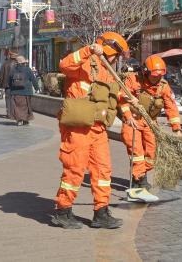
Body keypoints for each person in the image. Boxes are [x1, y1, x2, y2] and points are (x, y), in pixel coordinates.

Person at [51, 31, 136, 230]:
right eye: (116, 55)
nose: (117, 59)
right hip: (78, 129)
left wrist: (128, 104)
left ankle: (101, 212)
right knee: (75, 169)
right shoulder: (84, 62)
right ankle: (63, 211)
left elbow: (113, 96)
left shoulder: (108, 71)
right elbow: (65, 65)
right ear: (109, 50)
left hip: (98, 128)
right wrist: (88, 50)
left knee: (103, 170)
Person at [120, 55, 181, 198]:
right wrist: (128, 116)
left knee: (151, 154)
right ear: (145, 72)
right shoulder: (133, 80)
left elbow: (171, 107)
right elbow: (122, 99)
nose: (157, 78)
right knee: (137, 153)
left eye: (159, 76)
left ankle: (141, 175)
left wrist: (177, 128)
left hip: (150, 122)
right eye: (154, 76)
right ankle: (138, 181)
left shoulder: (163, 86)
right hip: (133, 122)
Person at [8, 55, 38, 126]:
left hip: (15, 92)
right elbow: (33, 80)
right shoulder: (28, 70)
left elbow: (9, 81)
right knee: (26, 106)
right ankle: (25, 120)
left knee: (17, 107)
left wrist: (11, 89)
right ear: (23, 63)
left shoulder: (13, 70)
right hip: (26, 92)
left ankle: (19, 120)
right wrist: (36, 88)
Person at [0, 51, 18, 119]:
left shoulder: (5, 64)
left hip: (7, 84)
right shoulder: (17, 64)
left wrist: (0, 84)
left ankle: (9, 113)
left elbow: (1, 74)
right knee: (14, 98)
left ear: (10, 56)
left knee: (8, 99)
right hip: (16, 84)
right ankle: (13, 113)